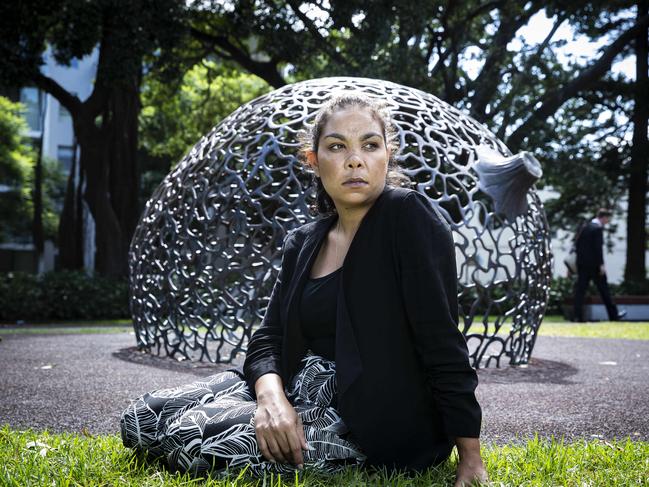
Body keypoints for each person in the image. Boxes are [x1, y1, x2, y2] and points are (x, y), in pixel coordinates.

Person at [120, 93, 487, 486]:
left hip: (363, 416)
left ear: (387, 155)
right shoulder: (305, 240)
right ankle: (258, 413)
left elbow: (442, 338)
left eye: (369, 145)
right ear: (313, 161)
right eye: (336, 147)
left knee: (187, 436)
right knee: (141, 418)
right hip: (293, 388)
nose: (354, 160)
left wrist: (470, 456)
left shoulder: (407, 217)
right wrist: (270, 399)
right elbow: (268, 338)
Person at [573, 208, 624, 322]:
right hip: (594, 265)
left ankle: (577, 316)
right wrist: (601, 264)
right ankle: (614, 315)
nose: (607, 221)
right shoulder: (597, 229)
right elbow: (598, 248)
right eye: (607, 219)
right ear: (604, 217)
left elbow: (577, 245)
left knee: (580, 290)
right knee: (604, 290)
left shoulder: (584, 227)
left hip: (582, 264)